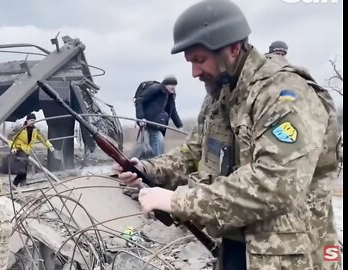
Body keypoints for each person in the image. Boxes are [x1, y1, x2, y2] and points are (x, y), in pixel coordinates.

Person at [115, 0, 342, 269]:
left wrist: (177, 200)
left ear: (233, 48)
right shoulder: (220, 95)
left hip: (288, 255)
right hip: (235, 243)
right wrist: (149, 169)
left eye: (200, 60)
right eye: (191, 62)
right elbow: (195, 152)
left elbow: (275, 184)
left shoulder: (285, 95)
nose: (194, 72)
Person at [135, 75, 183, 157]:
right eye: (172, 85)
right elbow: (139, 101)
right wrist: (141, 117)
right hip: (149, 122)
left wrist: (179, 125)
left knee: (156, 143)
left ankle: (149, 163)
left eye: (175, 86)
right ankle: (157, 163)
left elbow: (173, 111)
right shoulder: (155, 89)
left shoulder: (170, 95)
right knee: (158, 140)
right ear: (166, 85)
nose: (174, 88)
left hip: (159, 125)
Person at [8, 113, 55, 187]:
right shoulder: (19, 128)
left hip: (27, 150)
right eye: (31, 120)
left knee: (25, 167)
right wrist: (12, 147)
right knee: (22, 167)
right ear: (27, 120)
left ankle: (16, 184)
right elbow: (10, 137)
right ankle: (21, 183)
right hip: (19, 149)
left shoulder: (35, 130)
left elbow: (43, 139)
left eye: (34, 120)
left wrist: (50, 146)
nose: (33, 122)